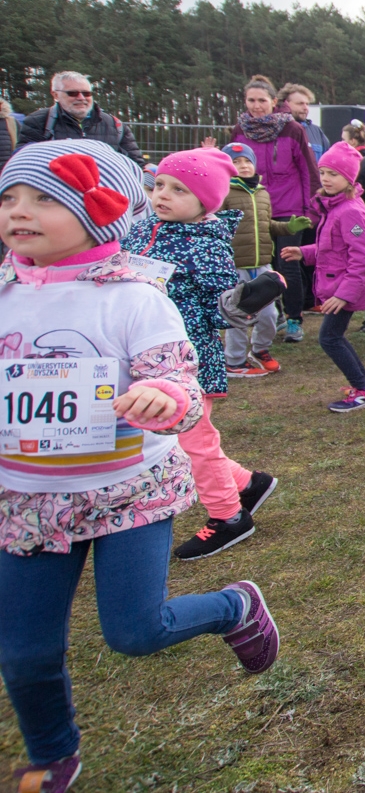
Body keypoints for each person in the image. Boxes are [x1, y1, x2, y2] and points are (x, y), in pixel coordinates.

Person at [0, 142, 280, 792]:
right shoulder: (6, 294)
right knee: (23, 649)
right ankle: (52, 752)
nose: (20, 210)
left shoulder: (133, 297)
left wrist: (168, 397)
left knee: (134, 631)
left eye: (46, 198)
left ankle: (233, 606)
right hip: (28, 501)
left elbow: (177, 379)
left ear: (102, 212)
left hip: (129, 493)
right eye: (10, 197)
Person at [126, 146, 277, 560]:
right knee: (177, 442)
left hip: (187, 359)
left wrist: (244, 300)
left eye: (178, 189)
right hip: (141, 354)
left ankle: (228, 516)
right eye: (159, 185)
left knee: (194, 441)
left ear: (205, 201)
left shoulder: (207, 243)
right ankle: (248, 484)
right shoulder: (142, 231)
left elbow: (224, 306)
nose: (163, 195)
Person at [278, 142, 365, 413]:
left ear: (349, 179)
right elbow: (330, 249)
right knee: (332, 337)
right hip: (340, 286)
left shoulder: (350, 212)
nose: (325, 178)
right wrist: (303, 252)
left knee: (329, 338)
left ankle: (364, 389)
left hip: (346, 289)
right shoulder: (334, 208)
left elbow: (361, 260)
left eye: (333, 174)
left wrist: (342, 295)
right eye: (323, 172)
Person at [228, 76, 317, 344]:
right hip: (252, 206)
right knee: (257, 264)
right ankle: (269, 313)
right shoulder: (239, 130)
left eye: (262, 100)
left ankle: (293, 319)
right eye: (251, 100)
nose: (256, 106)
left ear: (273, 102)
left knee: (287, 263)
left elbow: (308, 170)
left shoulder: (292, 129)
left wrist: (310, 208)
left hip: (289, 207)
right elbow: (229, 166)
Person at [219, 142, 308, 378]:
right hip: (236, 266)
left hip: (262, 264)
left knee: (269, 314)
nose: (243, 166)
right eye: (236, 162)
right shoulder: (223, 192)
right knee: (238, 315)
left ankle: (259, 350)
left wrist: (288, 227)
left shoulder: (262, 192)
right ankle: (234, 360)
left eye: (247, 161)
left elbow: (267, 226)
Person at [16, 70, 144, 163]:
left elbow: (136, 164)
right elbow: (23, 162)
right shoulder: (38, 121)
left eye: (86, 93)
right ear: (55, 95)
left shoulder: (114, 124)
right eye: (72, 93)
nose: (81, 98)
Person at [276, 82, 330, 159]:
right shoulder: (274, 129)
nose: (305, 108)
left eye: (307, 104)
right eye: (300, 104)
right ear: (285, 104)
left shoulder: (317, 132)